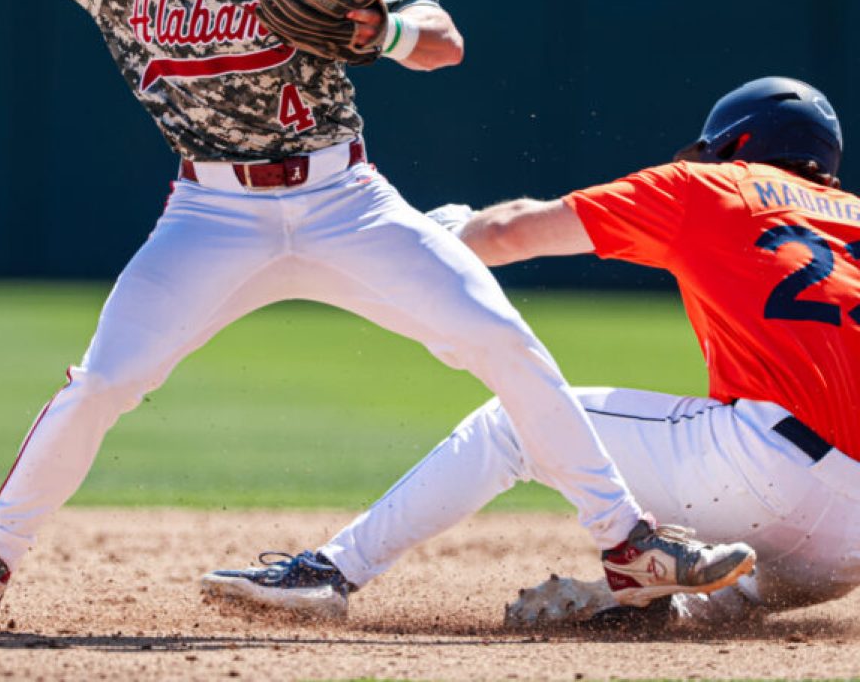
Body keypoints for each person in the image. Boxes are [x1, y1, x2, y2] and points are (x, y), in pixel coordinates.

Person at [0, 0, 753, 632]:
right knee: (104, 380)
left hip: (342, 200)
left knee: (501, 339)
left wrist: (385, 27)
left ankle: (632, 545)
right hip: (211, 210)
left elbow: (444, 38)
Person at [203, 76, 860, 629]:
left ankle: (329, 575)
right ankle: (669, 613)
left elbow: (515, 230)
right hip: (847, 551)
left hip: (769, 469)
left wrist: (442, 233)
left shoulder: (711, 188)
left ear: (735, 145)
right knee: (749, 580)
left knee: (519, 418)